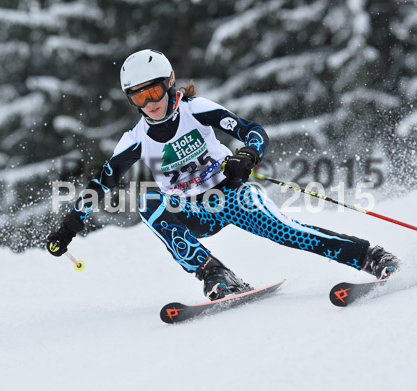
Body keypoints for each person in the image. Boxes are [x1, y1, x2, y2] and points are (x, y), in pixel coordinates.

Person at [46, 49, 399, 300]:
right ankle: (216, 275)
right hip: (192, 210)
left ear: (169, 85)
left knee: (291, 233)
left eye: (154, 91)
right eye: (139, 97)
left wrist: (246, 156)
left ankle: (370, 256)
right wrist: (69, 228)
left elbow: (254, 131)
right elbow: (99, 185)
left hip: (231, 196)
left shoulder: (197, 110)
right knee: (148, 203)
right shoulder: (134, 140)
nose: (150, 102)